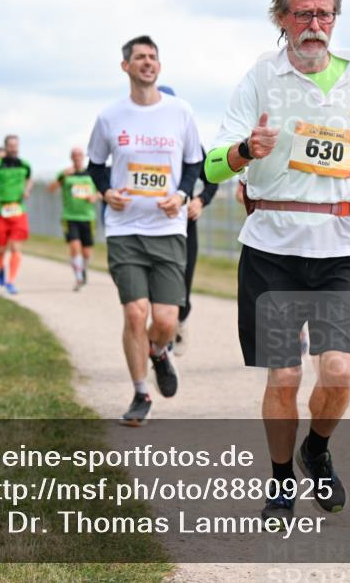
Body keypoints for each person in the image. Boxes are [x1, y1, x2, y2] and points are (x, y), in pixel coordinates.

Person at [204, 0, 350, 521]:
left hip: (341, 245)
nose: (315, 24)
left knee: (338, 371)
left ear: (335, 18)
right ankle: (280, 477)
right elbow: (214, 162)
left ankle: (316, 448)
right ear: (281, 19)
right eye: (303, 14)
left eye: (325, 14)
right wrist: (247, 149)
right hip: (273, 249)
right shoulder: (260, 79)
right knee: (285, 376)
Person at [86, 35, 203, 426]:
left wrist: (183, 194)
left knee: (167, 320)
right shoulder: (109, 116)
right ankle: (140, 393)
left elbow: (193, 164)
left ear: (159, 65)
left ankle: (159, 351)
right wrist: (106, 191)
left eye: (153, 57)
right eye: (140, 57)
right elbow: (96, 164)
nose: (147, 62)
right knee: (135, 314)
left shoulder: (181, 112)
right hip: (124, 229)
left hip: (168, 229)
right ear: (126, 66)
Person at [155, 85, 220, 355]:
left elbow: (211, 179)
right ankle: (162, 339)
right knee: (154, 287)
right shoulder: (140, 141)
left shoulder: (189, 143)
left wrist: (200, 200)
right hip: (150, 223)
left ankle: (179, 320)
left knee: (183, 281)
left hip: (184, 225)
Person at [0, 135, 32, 295]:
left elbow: (30, 179)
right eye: (10, 146)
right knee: (0, 251)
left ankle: (10, 281)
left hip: (17, 209)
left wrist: (27, 190)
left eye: (16, 145)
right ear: (6, 147)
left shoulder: (25, 164)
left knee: (16, 248)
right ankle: (2, 268)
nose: (14, 148)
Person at [47, 146, 100, 291]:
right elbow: (50, 189)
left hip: (88, 217)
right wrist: (62, 176)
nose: (77, 157)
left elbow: (102, 192)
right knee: (74, 247)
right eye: (74, 155)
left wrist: (95, 196)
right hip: (70, 216)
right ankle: (78, 278)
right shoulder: (65, 174)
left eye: (79, 155)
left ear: (83, 157)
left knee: (87, 252)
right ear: (71, 157)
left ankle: (83, 268)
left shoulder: (91, 173)